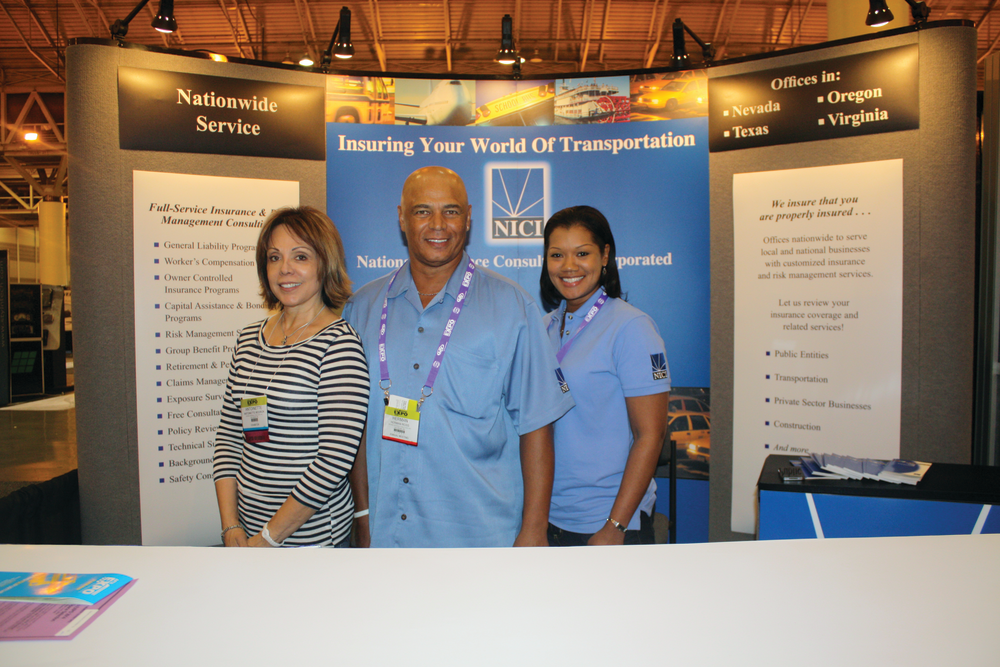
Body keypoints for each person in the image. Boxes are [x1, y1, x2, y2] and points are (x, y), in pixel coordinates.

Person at [342, 166, 574, 548]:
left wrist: (534, 529)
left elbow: (536, 427)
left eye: (450, 211)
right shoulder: (362, 309)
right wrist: (363, 515)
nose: (438, 224)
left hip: (480, 539)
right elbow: (354, 426)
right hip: (387, 538)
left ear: (468, 218)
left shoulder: (512, 308)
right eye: (422, 211)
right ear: (401, 217)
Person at [213, 206, 370, 547]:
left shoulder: (339, 345)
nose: (285, 268)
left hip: (312, 541)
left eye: (300, 256)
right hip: (246, 533)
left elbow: (333, 460)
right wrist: (231, 526)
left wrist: (269, 538)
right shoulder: (248, 339)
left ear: (324, 264)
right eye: (274, 257)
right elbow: (228, 439)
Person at [540, 205, 670, 546]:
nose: (569, 266)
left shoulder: (631, 327)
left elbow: (650, 435)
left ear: (605, 256)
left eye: (582, 253)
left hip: (606, 522)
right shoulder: (543, 328)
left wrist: (615, 527)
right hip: (548, 516)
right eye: (557, 255)